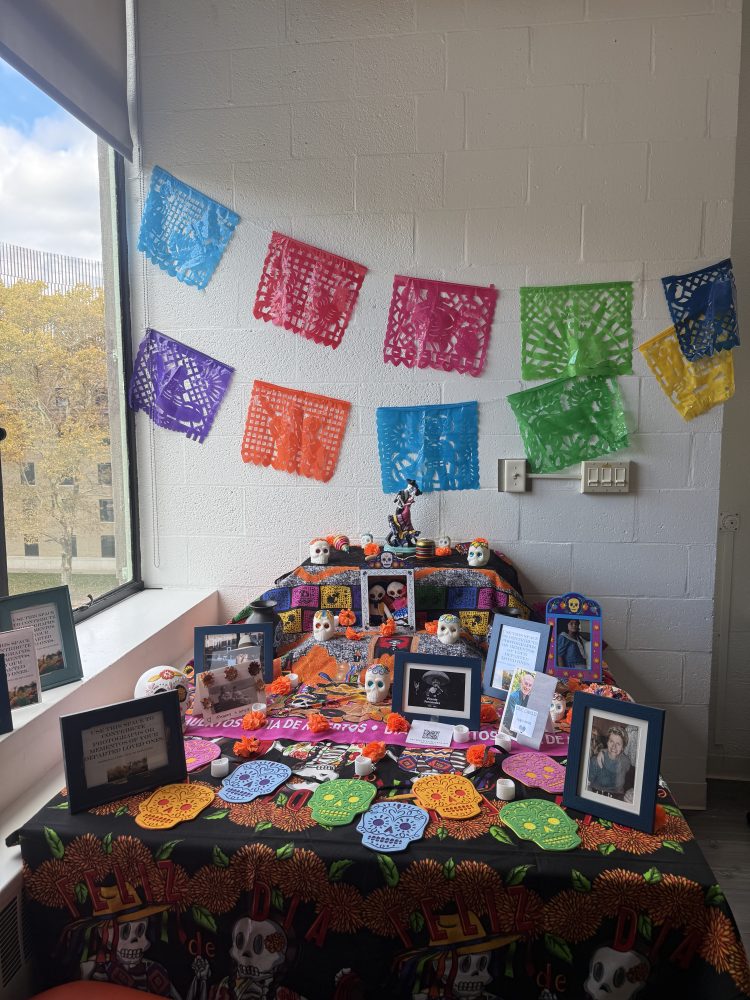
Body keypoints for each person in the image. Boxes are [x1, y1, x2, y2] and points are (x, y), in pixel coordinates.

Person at [588, 725, 633, 798]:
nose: (614, 746)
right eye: (611, 741)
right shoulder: (596, 761)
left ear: (623, 747)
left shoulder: (626, 761)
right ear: (607, 742)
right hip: (598, 796)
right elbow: (586, 786)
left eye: (618, 744)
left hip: (618, 798)